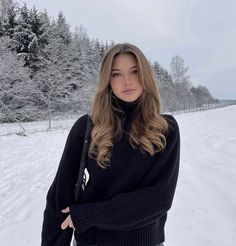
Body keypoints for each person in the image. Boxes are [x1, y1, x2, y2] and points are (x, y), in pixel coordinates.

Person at [41, 43, 180, 246]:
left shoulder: (165, 129)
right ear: (107, 80)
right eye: (116, 74)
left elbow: (159, 199)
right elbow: (59, 198)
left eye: (134, 72)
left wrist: (90, 215)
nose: (127, 81)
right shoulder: (88, 127)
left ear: (145, 76)